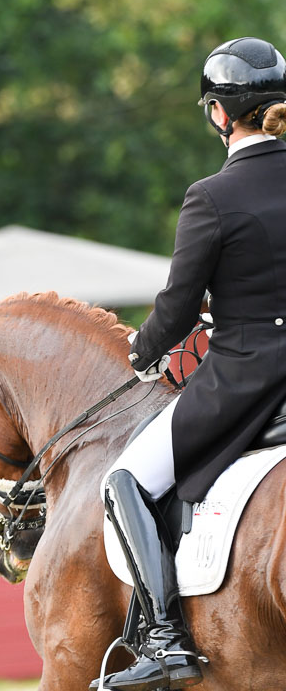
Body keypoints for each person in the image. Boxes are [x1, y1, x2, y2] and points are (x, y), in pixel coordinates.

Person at [91, 37, 286, 691]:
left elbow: (175, 309)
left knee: (124, 481)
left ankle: (167, 641)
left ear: (219, 115)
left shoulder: (213, 196)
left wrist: (141, 349)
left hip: (248, 377)